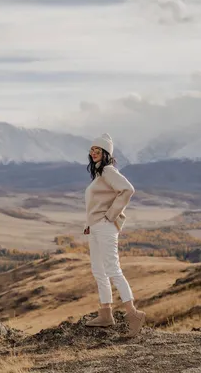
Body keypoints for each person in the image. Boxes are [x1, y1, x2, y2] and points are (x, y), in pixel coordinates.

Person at [83, 133, 146, 337]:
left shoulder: (109, 171)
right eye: (92, 149)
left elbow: (128, 189)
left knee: (113, 270)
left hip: (105, 226)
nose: (93, 152)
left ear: (106, 153)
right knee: (98, 271)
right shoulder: (100, 175)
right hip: (96, 227)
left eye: (98, 150)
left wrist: (110, 215)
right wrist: (90, 223)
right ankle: (106, 313)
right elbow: (97, 203)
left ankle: (133, 314)